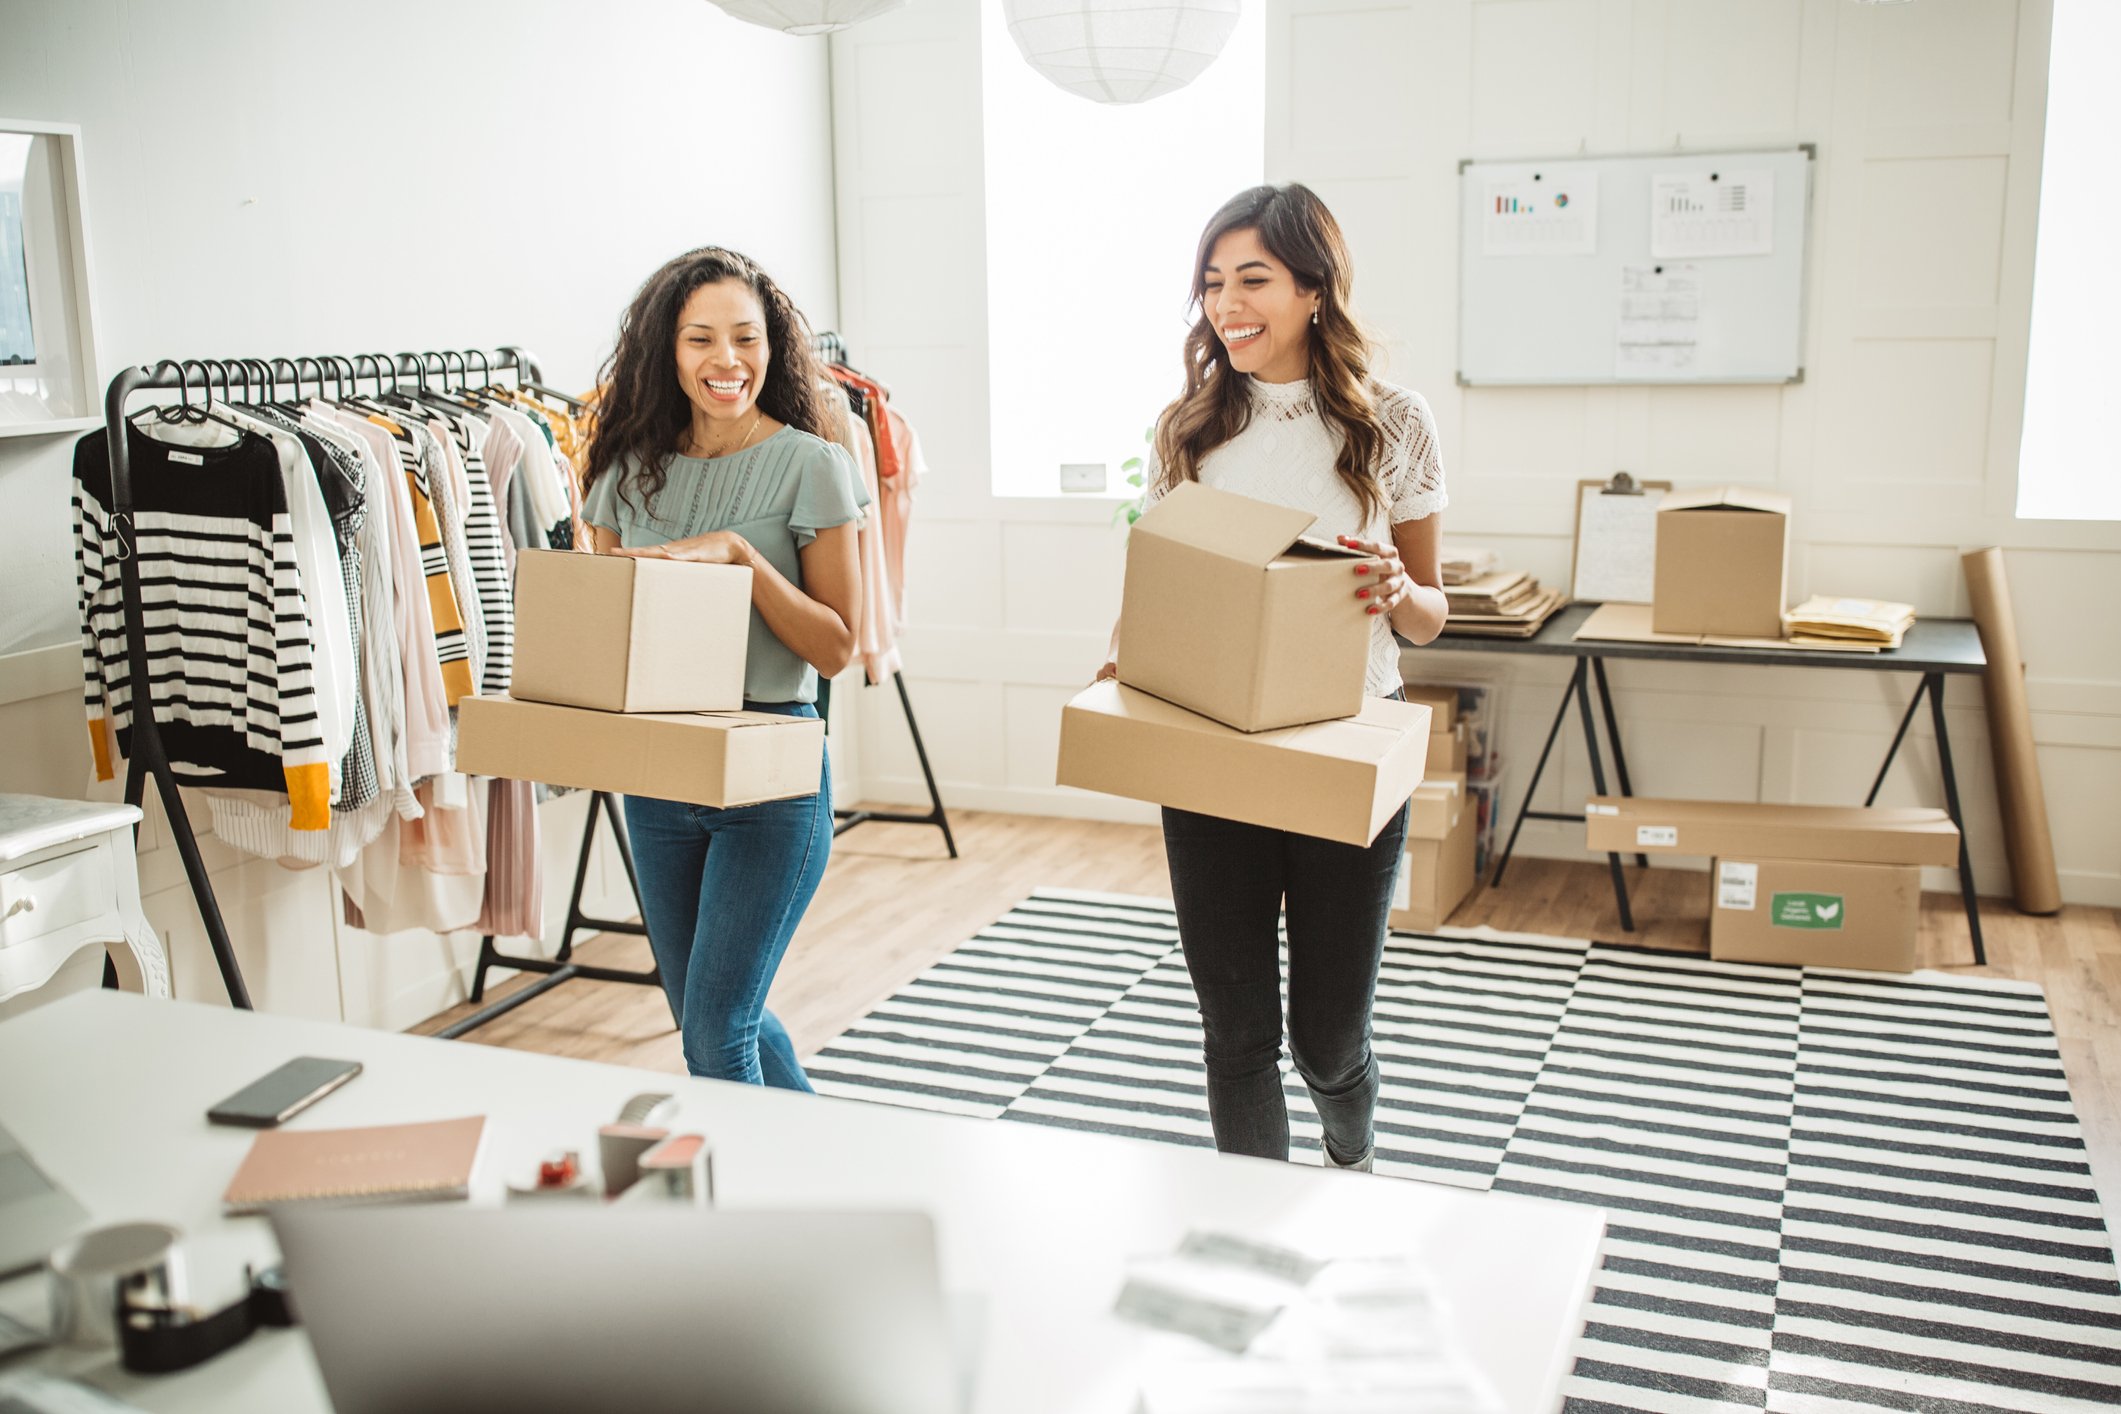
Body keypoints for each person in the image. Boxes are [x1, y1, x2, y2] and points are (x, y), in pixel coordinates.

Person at [1097, 184, 1450, 1170]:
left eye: (1252, 279)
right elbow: (1165, 580)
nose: (1226, 305)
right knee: (1237, 1035)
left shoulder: (1394, 423)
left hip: (1348, 741)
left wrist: (1396, 589)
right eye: (1212, 284)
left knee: (1327, 1041)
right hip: (1214, 750)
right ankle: (1258, 1231)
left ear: (1313, 289)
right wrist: (1126, 648)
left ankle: (1352, 1156)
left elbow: (1430, 613)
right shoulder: (1191, 427)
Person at [579, 247, 866, 1090]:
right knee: (713, 1017)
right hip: (659, 778)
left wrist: (741, 556)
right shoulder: (626, 472)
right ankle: (826, 1165)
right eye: (700, 339)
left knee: (714, 1034)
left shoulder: (813, 464)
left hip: (769, 777)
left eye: (745, 338)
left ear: (772, 348)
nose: (726, 361)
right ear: (667, 351)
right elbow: (601, 622)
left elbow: (837, 647)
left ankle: (748, 1214)